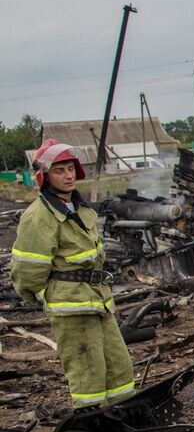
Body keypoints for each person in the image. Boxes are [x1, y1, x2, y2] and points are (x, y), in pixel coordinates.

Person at [10, 138, 135, 408]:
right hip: (72, 307)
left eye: (70, 169)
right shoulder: (38, 217)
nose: (68, 176)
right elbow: (28, 271)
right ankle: (92, 427)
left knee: (118, 365)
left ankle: (123, 417)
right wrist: (44, 296)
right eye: (59, 170)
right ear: (45, 177)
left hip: (97, 300)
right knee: (88, 371)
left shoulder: (79, 208)